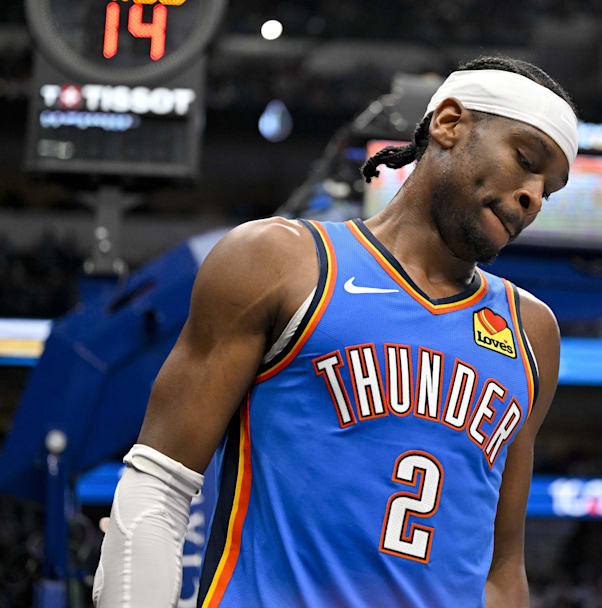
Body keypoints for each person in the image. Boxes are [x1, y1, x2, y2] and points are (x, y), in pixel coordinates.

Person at [93, 55, 577, 608]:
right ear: (448, 123)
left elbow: (502, 570)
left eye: (549, 188)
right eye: (525, 160)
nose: (534, 195)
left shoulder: (532, 332)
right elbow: (158, 488)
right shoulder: (280, 261)